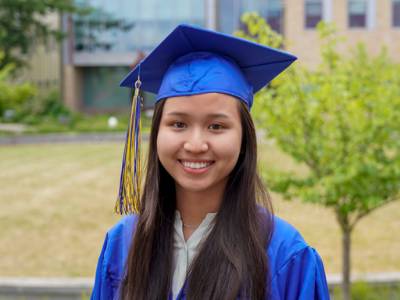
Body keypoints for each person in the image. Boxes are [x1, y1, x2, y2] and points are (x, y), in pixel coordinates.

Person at [90, 24, 330, 300]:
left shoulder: (285, 254)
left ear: (244, 139)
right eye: (178, 123)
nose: (195, 145)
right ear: (157, 133)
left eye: (216, 126)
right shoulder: (123, 243)